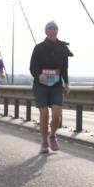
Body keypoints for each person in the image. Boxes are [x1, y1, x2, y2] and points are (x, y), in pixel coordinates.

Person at [29, 20, 73, 154]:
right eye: (50, 29)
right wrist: (38, 75)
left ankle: (52, 135)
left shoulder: (62, 48)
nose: (53, 31)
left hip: (56, 85)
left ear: (57, 31)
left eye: (55, 29)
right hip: (41, 85)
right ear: (46, 32)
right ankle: (43, 142)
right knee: (44, 114)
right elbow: (32, 67)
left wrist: (66, 83)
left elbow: (65, 68)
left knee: (56, 114)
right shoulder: (39, 47)